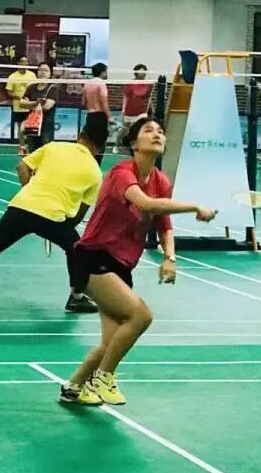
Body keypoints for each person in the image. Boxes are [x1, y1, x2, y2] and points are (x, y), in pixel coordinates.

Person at [59, 118, 216, 406]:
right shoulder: (121, 173)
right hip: (93, 256)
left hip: (122, 264)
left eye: (160, 132)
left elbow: (164, 224)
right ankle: (104, 377)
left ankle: (73, 387)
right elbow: (146, 204)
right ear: (133, 143)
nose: (157, 134)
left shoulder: (161, 181)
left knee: (112, 342)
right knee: (141, 316)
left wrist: (170, 258)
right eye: (148, 131)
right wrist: (194, 206)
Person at [0, 114, 110, 316]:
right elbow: (78, 215)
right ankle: (76, 298)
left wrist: (29, 192)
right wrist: (60, 228)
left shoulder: (54, 147)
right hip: (53, 218)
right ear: (101, 148)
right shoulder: (95, 173)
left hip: (20, 207)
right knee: (78, 250)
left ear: (80, 135)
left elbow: (22, 167)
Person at [117, 64, 152, 154]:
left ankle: (136, 148)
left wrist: (151, 108)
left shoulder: (148, 84)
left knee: (139, 129)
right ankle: (116, 145)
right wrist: (123, 110)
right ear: (136, 72)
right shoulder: (130, 83)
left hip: (142, 110)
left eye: (144, 71)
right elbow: (126, 97)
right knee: (124, 129)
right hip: (130, 110)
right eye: (141, 71)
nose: (143, 73)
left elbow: (148, 97)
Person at [6, 56, 37, 154]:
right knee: (20, 128)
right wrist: (20, 97)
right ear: (18, 63)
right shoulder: (12, 77)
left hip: (31, 106)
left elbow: (36, 88)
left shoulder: (32, 75)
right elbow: (9, 92)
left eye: (26, 61)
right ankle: (22, 147)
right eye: (23, 62)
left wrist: (31, 99)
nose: (25, 64)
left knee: (32, 128)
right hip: (19, 107)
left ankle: (32, 147)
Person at [24, 62, 58, 152]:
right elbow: (22, 103)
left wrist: (30, 105)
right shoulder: (31, 87)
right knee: (32, 152)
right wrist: (37, 103)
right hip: (32, 125)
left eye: (46, 70)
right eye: (40, 70)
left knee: (46, 152)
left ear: (50, 74)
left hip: (46, 127)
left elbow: (47, 106)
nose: (42, 72)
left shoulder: (53, 88)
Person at [82, 62, 110, 164]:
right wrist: (109, 117)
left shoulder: (87, 84)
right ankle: (97, 166)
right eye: (106, 71)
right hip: (100, 117)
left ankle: (88, 165)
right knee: (100, 145)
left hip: (90, 117)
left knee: (90, 143)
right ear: (102, 72)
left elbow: (83, 102)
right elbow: (104, 102)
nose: (107, 74)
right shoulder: (101, 84)